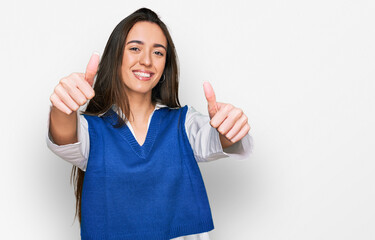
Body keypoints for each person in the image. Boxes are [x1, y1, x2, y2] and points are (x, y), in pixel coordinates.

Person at [47, 7, 253, 240]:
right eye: (135, 48)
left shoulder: (183, 124)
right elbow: (64, 136)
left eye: (158, 53)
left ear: (165, 65)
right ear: (115, 56)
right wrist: (62, 106)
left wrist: (230, 126)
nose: (146, 61)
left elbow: (218, 139)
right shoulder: (92, 131)